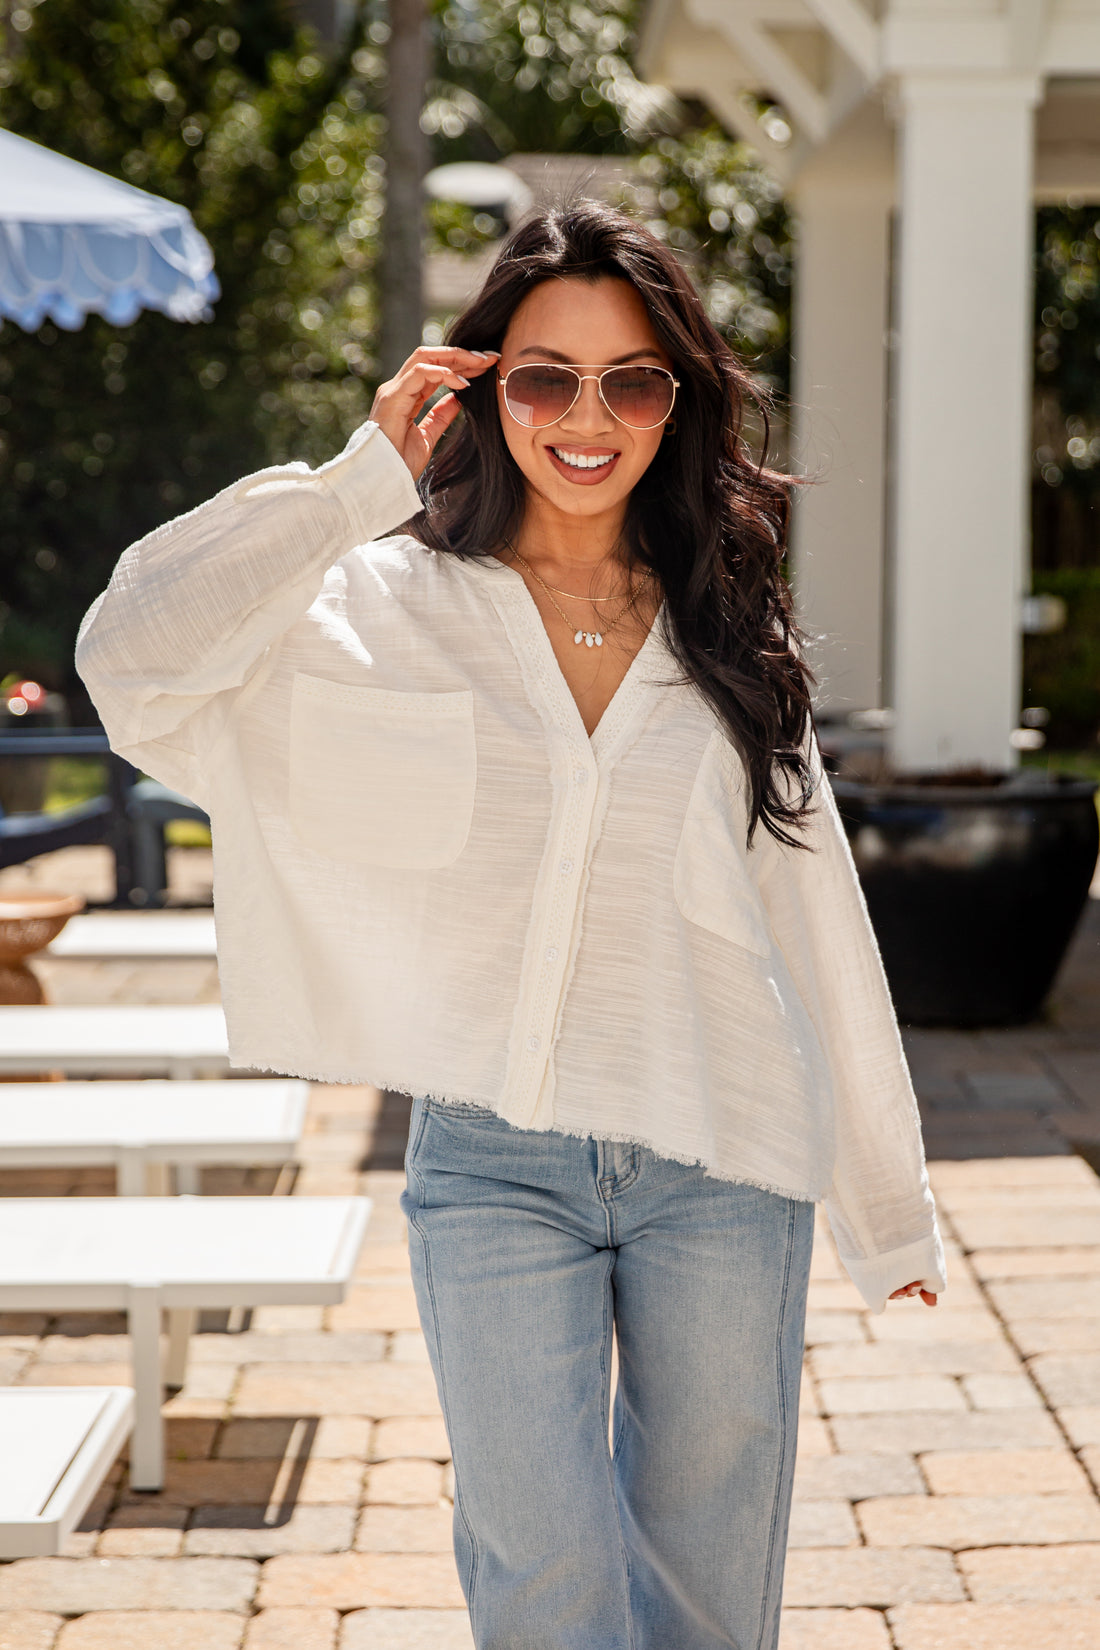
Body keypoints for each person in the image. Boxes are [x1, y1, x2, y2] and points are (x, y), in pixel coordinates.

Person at [77, 201, 945, 1650]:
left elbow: (815, 915)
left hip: (724, 1158)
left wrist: (884, 1194)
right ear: (481, 383)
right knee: (540, 1580)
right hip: (493, 1166)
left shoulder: (727, 631)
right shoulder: (373, 602)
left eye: (633, 380)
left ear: (679, 401)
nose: (587, 417)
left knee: (711, 1593)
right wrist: (361, 481)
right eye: (545, 375)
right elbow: (130, 659)